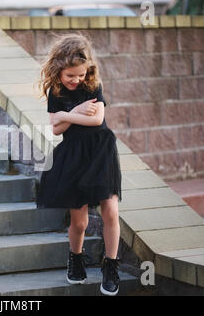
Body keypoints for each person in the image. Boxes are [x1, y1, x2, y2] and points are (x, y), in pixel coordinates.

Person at [37, 34, 122, 296]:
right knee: (80, 221)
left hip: (101, 151)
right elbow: (55, 129)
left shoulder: (93, 84)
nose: (76, 80)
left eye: (80, 75)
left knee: (110, 211)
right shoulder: (57, 91)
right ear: (58, 70)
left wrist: (65, 115)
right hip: (74, 156)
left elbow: (96, 120)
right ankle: (75, 258)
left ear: (88, 70)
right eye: (70, 76)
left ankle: (111, 265)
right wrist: (73, 113)